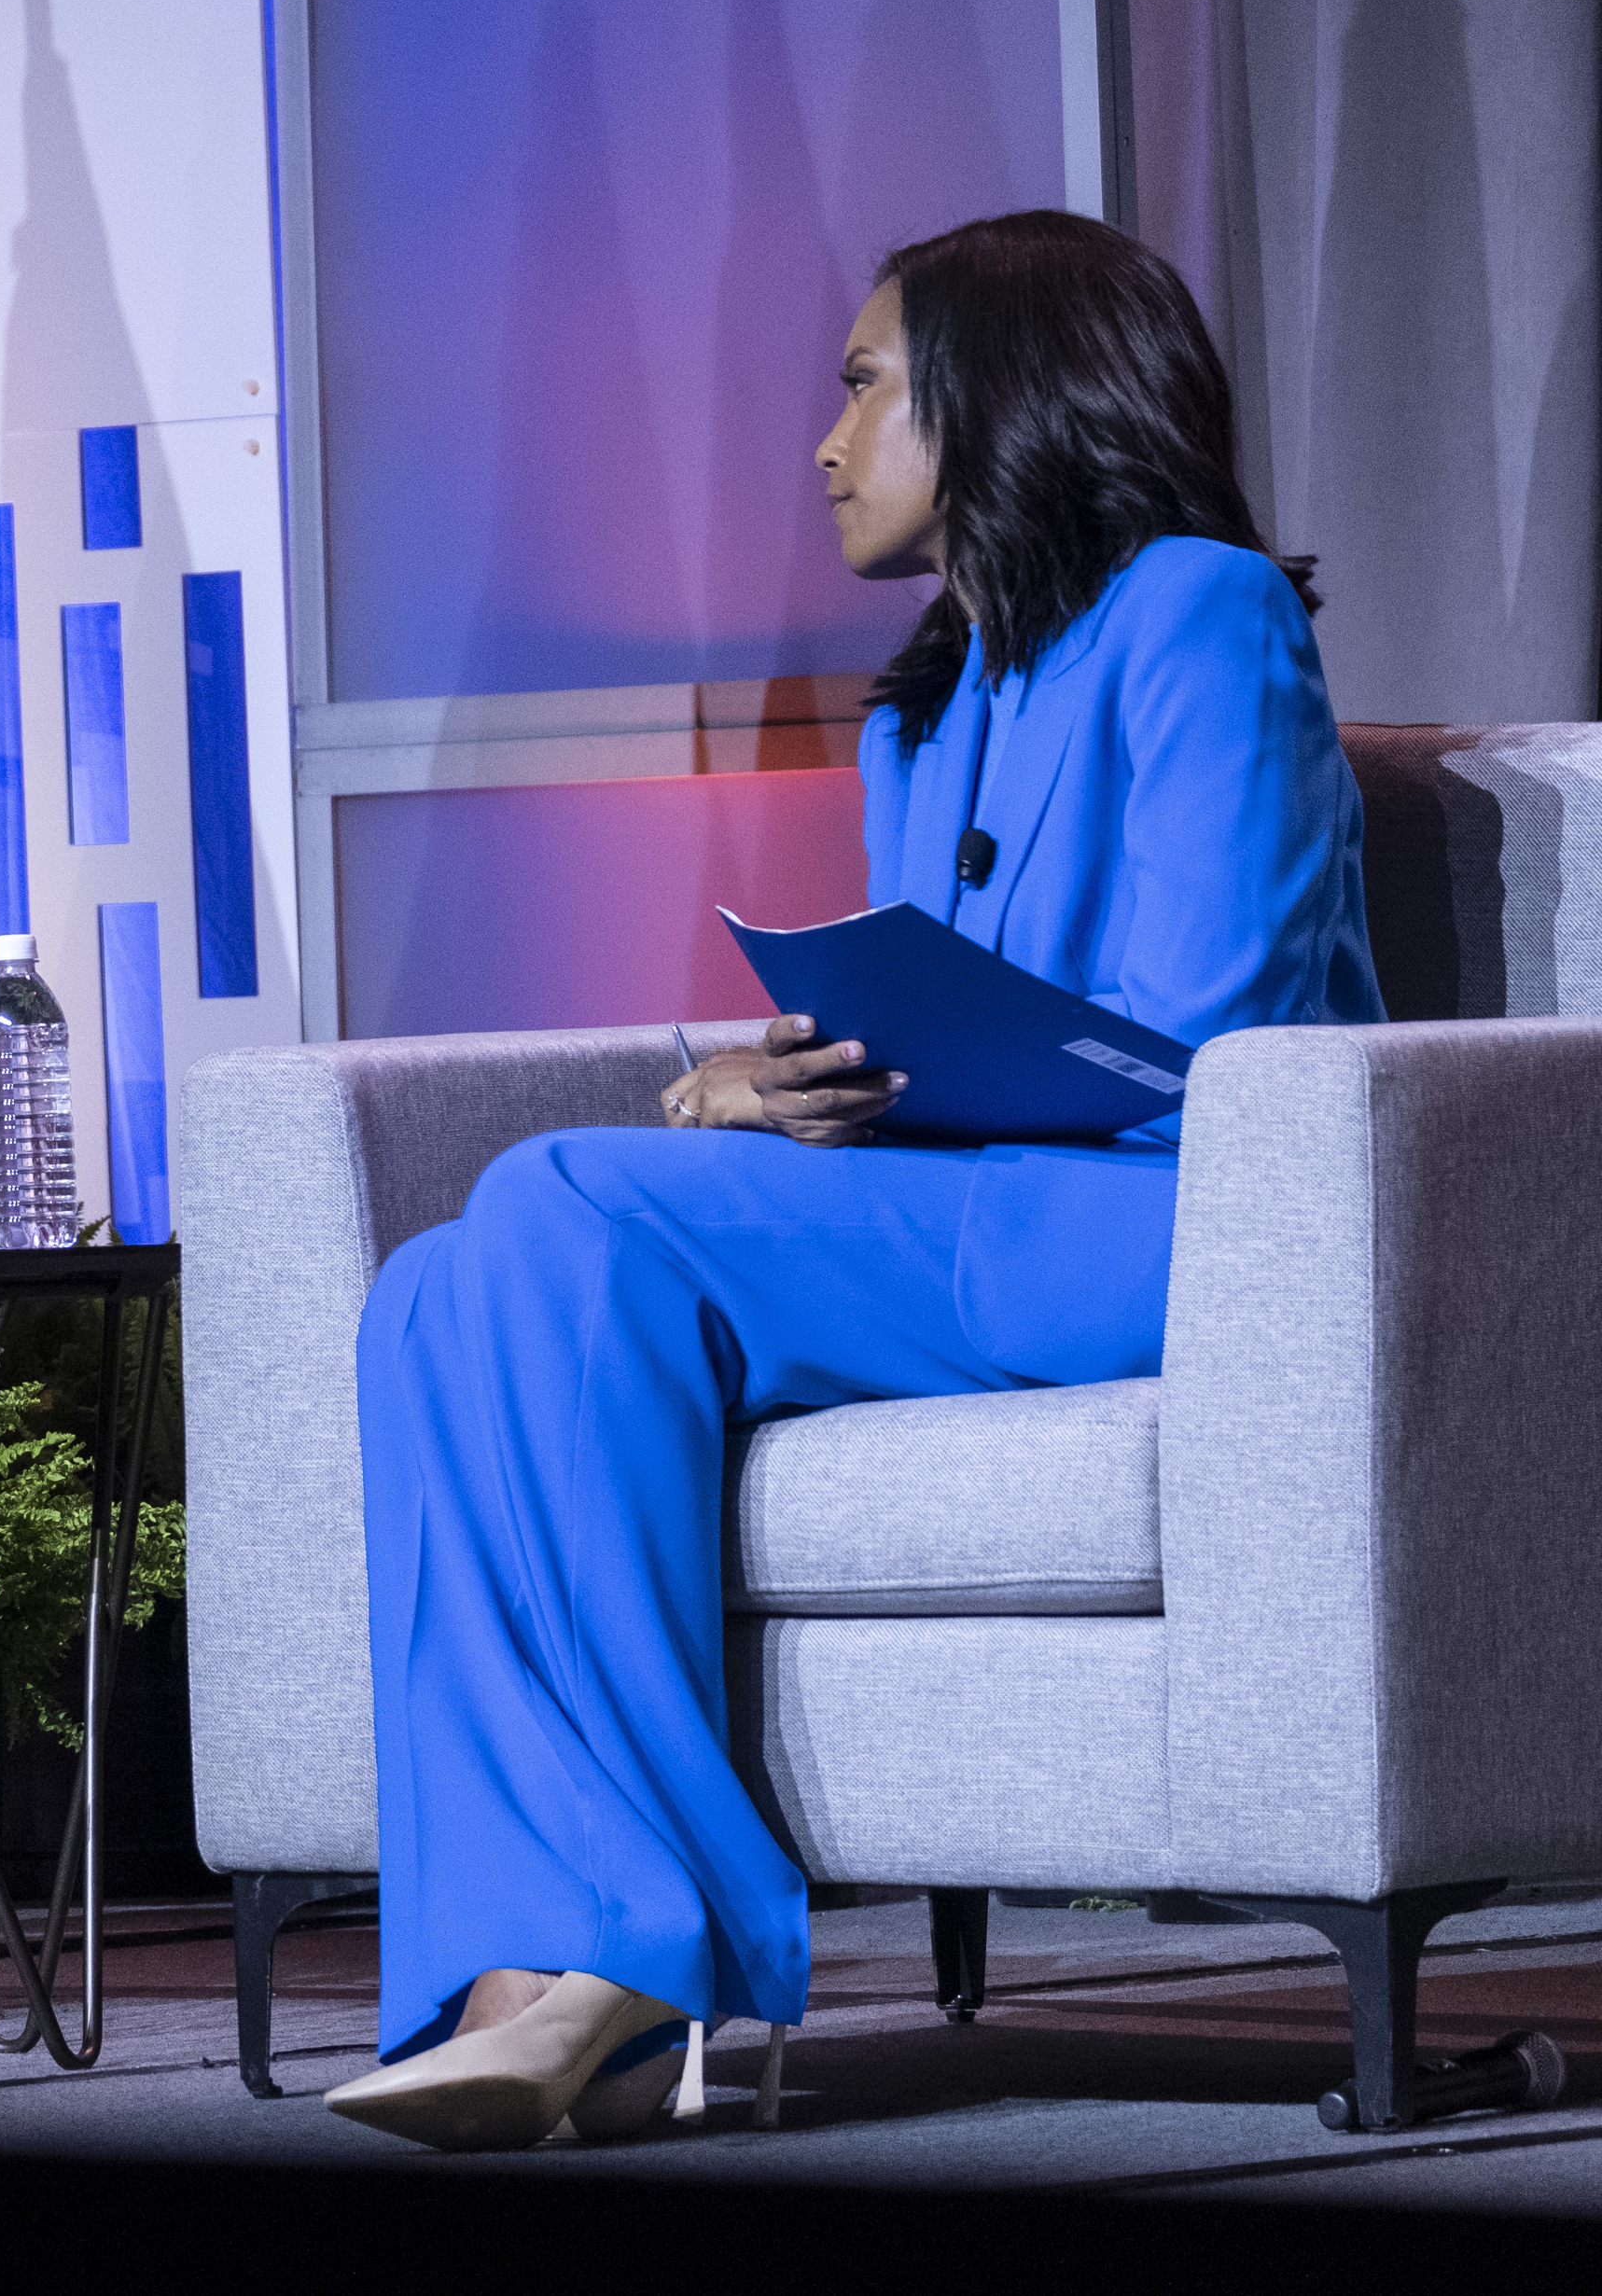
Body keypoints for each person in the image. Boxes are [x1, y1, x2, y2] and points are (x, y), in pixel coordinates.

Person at [324, 211, 1382, 2151]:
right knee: (440, 1289)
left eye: (861, 381)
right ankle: (528, 1971)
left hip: (1175, 1229)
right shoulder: (924, 703)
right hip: (966, 1214)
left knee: (563, 1196)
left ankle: (651, 1946)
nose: (822, 442)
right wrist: (777, 1084)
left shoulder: (1200, 613)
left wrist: (897, 1075)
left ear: (1000, 387)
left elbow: (1210, 1029)